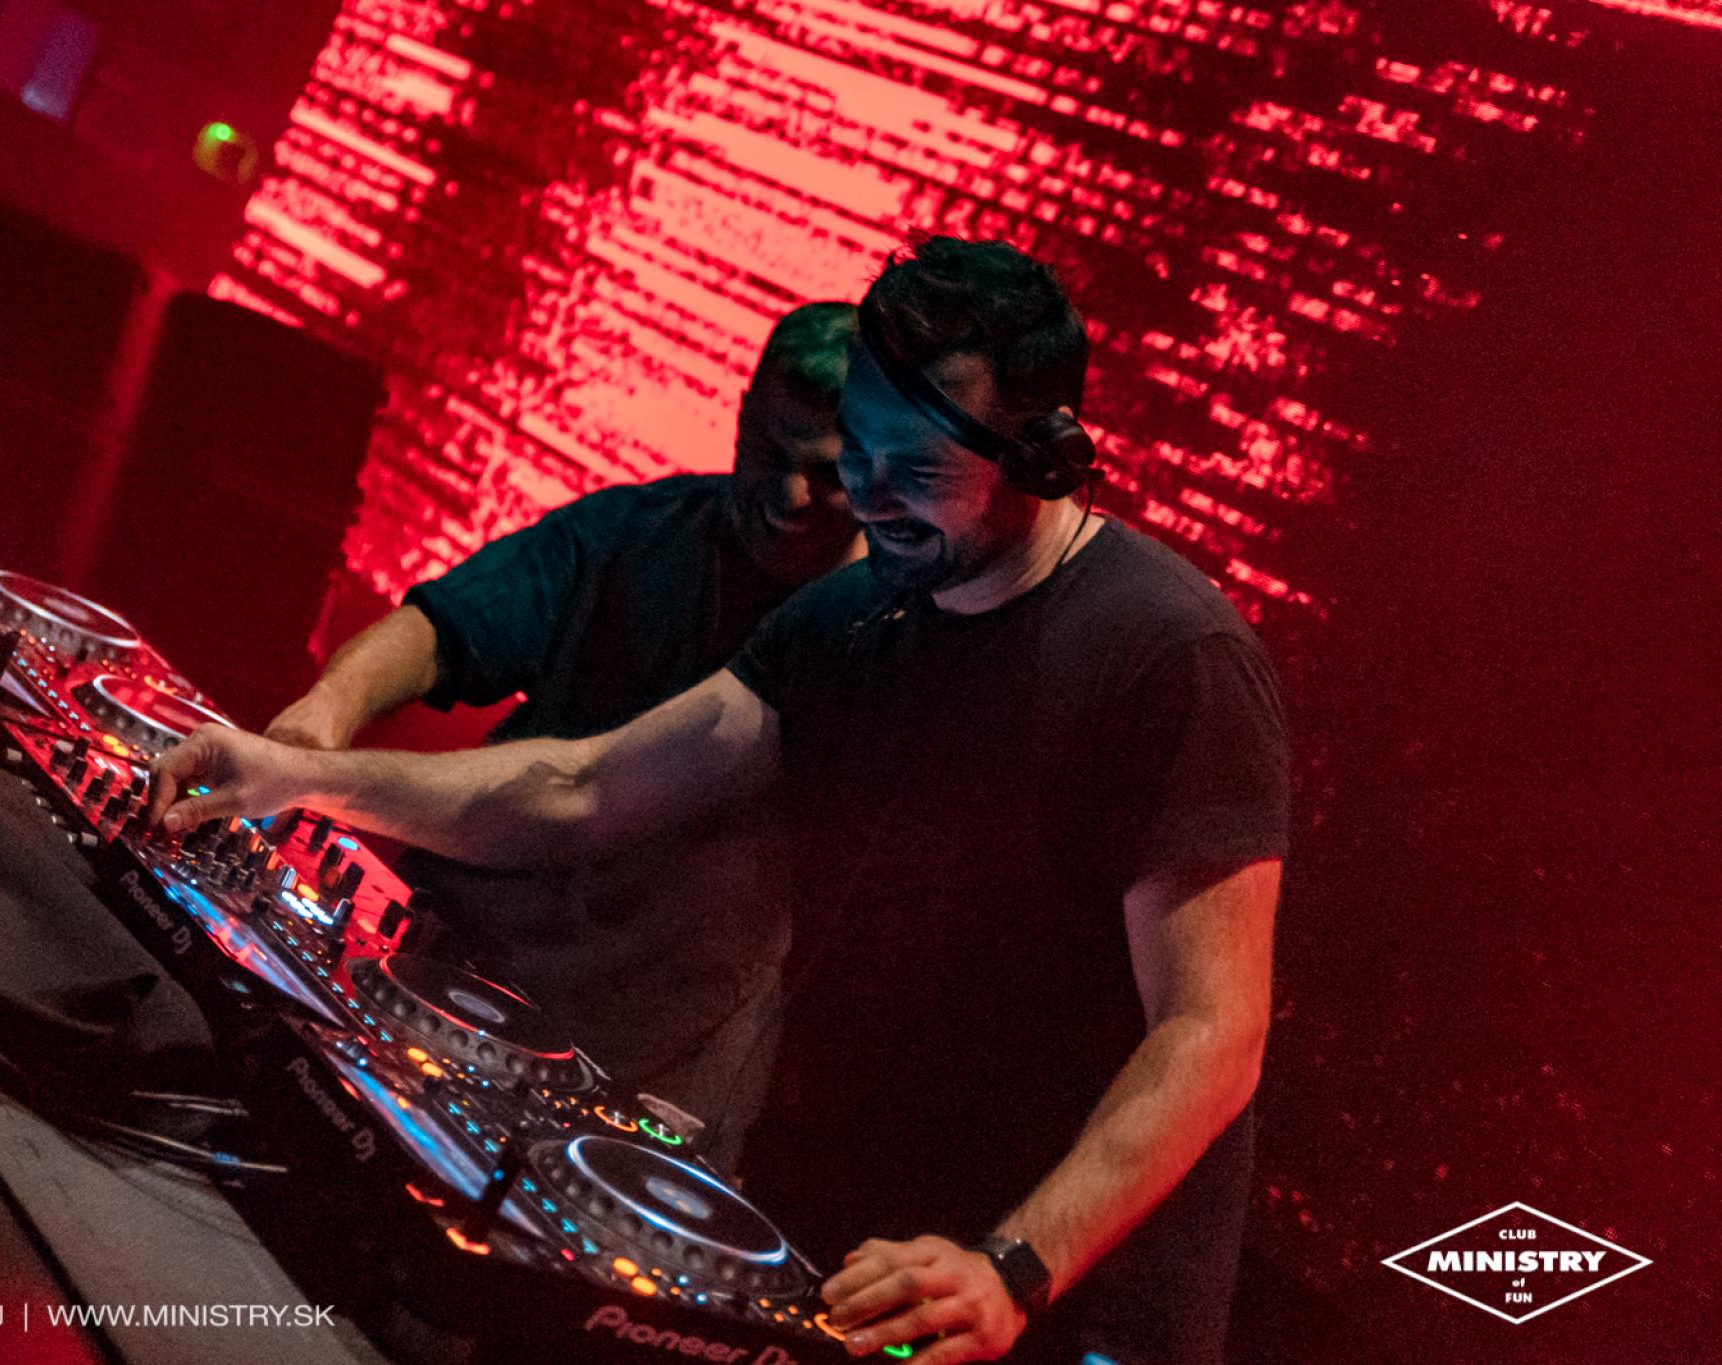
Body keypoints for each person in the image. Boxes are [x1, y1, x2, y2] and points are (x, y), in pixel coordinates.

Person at [151, 238, 1287, 1365]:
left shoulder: (1167, 657)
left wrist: (1015, 1266)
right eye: (861, 453)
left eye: (914, 469)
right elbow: (583, 787)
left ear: (1040, 460)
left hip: (1052, 1299)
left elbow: (1209, 1028)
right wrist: (309, 775)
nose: (868, 494)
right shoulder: (851, 618)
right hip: (854, 1258)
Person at [262, 301, 864, 1170]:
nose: (789, 495)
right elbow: (447, 627)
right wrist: (330, 704)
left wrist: (325, 780)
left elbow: (583, 796)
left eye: (828, 474)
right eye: (770, 452)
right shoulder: (639, 530)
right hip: (450, 959)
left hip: (649, 1062)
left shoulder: (874, 636)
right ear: (740, 415)